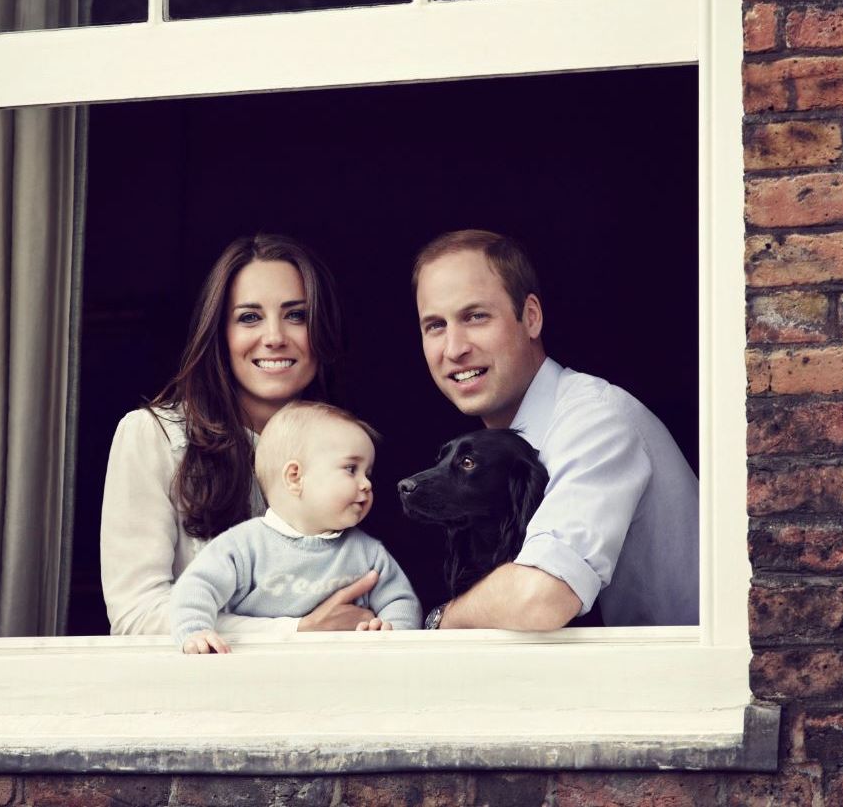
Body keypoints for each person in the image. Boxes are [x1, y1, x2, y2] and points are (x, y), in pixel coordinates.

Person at [413, 229, 699, 630]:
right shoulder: (501, 452)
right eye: (435, 326)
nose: (454, 348)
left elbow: (540, 598)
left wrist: (442, 621)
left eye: (475, 316)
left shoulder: (597, 421)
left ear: (531, 317)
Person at [100, 234, 383, 636]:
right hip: (198, 690)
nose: (274, 337)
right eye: (249, 317)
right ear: (219, 334)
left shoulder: (349, 443)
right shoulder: (152, 436)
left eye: (296, 315)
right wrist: (295, 629)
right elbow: (137, 614)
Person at [171, 402, 422, 653]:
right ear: (295, 477)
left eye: (367, 472)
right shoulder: (243, 546)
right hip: (260, 672)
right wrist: (195, 630)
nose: (366, 484)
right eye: (351, 469)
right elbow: (196, 587)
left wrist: (390, 634)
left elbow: (401, 601)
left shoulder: (368, 553)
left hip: (342, 676)